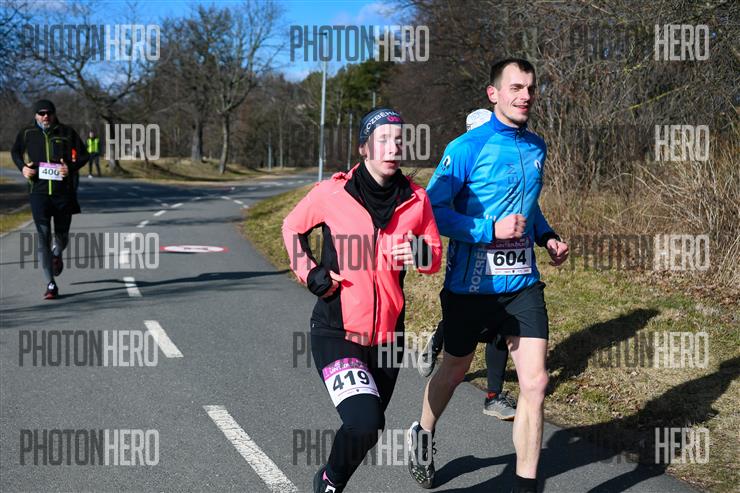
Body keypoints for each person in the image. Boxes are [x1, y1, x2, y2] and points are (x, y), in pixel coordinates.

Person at [407, 59, 569, 493]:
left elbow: (528, 203)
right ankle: (423, 431)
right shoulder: (466, 147)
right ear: (493, 93)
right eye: (515, 87)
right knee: (454, 369)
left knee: (536, 383)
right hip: (470, 286)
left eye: (530, 88)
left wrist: (547, 236)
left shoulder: (536, 146)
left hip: (521, 285)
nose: (525, 96)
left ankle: (524, 486)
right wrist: (488, 229)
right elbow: (433, 211)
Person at [282, 108, 443, 493]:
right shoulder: (332, 193)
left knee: (370, 429)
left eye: (398, 140)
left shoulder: (416, 199)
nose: (393, 147)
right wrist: (310, 272)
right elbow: (291, 227)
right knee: (364, 422)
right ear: (364, 148)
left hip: (388, 339)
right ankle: (330, 485)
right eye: (382, 140)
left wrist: (419, 253)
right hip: (336, 330)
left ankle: (327, 477)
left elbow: (434, 254)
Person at [417, 108, 518, 421]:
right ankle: (436, 343)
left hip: (502, 264)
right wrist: (484, 228)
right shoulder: (461, 158)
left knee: (501, 327)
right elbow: (436, 208)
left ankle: (493, 396)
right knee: (462, 322)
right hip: (467, 262)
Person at [11, 99, 89, 299]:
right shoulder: (27, 133)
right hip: (38, 192)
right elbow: (15, 152)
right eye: (41, 113)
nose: (45, 116)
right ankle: (51, 284)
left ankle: (57, 253)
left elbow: (84, 155)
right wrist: (23, 168)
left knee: (62, 237)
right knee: (43, 236)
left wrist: (70, 167)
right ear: (35, 115)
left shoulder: (67, 132)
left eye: (49, 113)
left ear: (54, 114)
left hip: (63, 193)